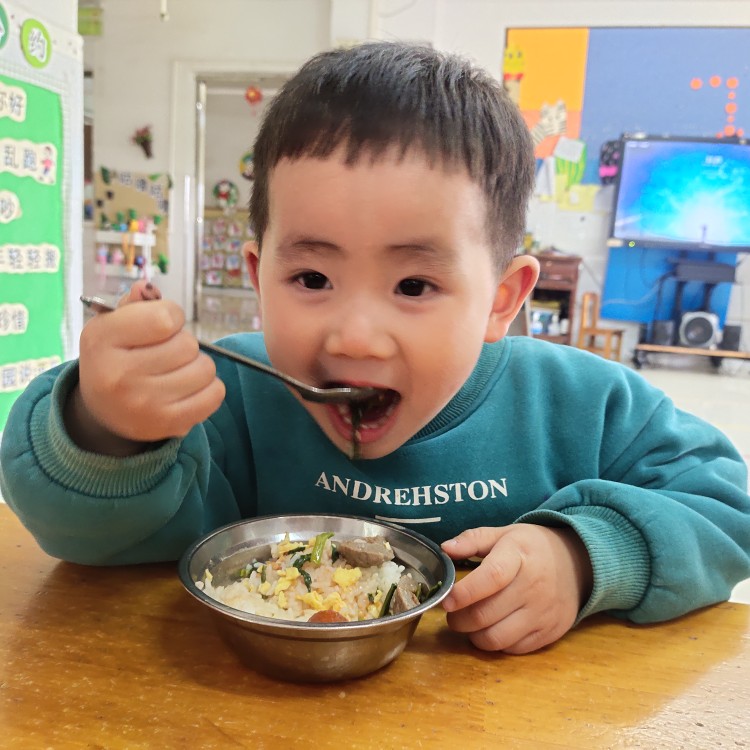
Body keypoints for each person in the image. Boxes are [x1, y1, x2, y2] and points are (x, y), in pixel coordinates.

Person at [1, 42, 749, 655]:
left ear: (502, 298)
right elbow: (84, 541)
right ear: (259, 279)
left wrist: (586, 557)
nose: (354, 336)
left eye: (414, 285)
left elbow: (724, 503)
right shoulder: (231, 398)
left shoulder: (581, 402)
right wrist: (105, 429)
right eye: (312, 278)